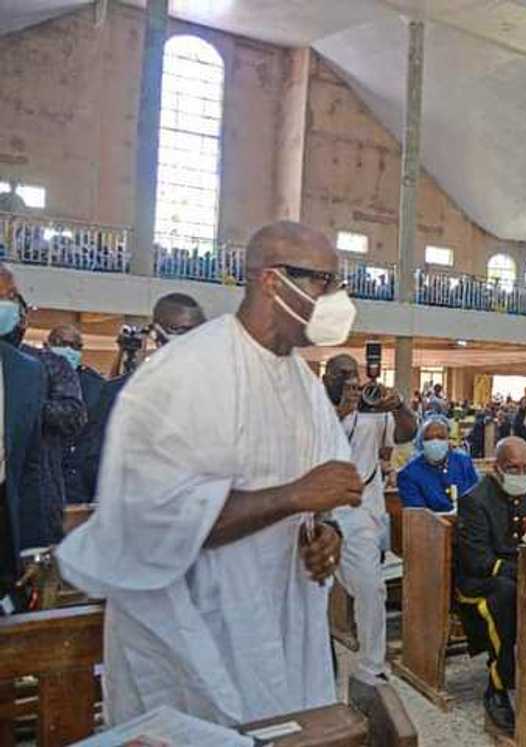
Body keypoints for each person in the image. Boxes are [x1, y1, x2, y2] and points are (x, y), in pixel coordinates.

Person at [57, 221, 366, 725]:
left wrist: (324, 531)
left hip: (279, 614)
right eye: (324, 281)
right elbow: (148, 520)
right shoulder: (185, 372)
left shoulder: (305, 384)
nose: (336, 298)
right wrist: (292, 496)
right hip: (195, 629)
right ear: (272, 281)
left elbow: (322, 496)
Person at [322, 353, 416, 694]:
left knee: (370, 587)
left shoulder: (371, 408)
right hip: (314, 507)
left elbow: (407, 433)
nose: (349, 382)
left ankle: (372, 667)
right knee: (310, 592)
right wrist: (339, 414)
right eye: (341, 375)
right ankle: (320, 661)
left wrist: (398, 405)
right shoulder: (312, 406)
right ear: (326, 377)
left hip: (358, 510)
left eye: (353, 375)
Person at [455, 436, 526, 736]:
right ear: (497, 468)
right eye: (514, 468)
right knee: (505, 595)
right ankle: (497, 688)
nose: (522, 474)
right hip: (484, 582)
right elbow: (477, 560)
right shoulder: (476, 499)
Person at [87, 293, 207, 497]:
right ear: (157, 334)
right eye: (180, 331)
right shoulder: (121, 392)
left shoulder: (220, 390)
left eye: (197, 332)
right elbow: (95, 462)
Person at [0, 265, 85, 546]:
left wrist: (23, 406)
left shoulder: (38, 367)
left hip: (28, 497)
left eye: (11, 298)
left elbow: (73, 415)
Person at [0, 279, 46, 612]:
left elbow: (29, 465)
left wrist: (32, 545)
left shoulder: (26, 372)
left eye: (11, 295)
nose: (7, 303)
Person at [48, 324, 106, 506]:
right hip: (43, 468)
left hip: (78, 475)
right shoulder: (33, 377)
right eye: (62, 343)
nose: (69, 349)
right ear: (47, 344)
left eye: (75, 346)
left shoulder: (95, 385)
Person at [397, 414, 479, 512]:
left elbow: (477, 498)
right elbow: (418, 515)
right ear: (421, 442)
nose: (435, 442)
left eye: (440, 437)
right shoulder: (409, 474)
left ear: (448, 439)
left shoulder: (464, 463)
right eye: (429, 438)